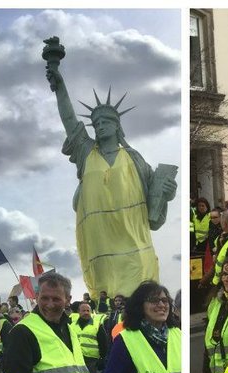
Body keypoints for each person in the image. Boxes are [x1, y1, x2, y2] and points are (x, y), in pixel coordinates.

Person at [45, 40, 175, 297]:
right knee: (107, 301)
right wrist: (60, 86)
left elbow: (155, 213)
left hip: (134, 242)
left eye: (106, 121)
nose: (101, 126)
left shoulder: (134, 158)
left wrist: (167, 194)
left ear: (117, 126)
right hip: (100, 242)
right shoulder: (86, 153)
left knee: (142, 296)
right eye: (96, 123)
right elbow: (69, 119)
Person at [71, 301, 108, 373]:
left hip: (92, 361)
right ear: (79, 312)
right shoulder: (72, 325)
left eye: (88, 311)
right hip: (76, 359)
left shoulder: (97, 325)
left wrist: (102, 359)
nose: (86, 313)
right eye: (83, 311)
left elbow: (104, 343)